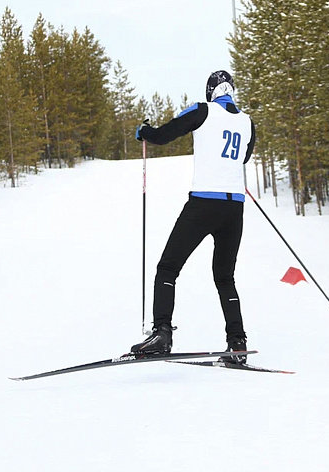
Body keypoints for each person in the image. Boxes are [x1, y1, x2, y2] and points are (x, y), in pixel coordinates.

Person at [130, 70, 256, 363]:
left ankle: (161, 333)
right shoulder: (248, 122)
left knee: (168, 267)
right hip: (234, 207)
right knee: (225, 277)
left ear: (210, 91)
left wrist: (145, 132)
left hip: (203, 203)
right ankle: (237, 343)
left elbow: (164, 135)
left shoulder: (203, 111)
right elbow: (244, 157)